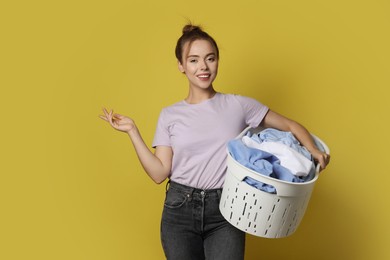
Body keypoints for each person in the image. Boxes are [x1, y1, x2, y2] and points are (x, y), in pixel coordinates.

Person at [99, 24, 330, 260]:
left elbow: (290, 126)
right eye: (193, 60)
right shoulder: (169, 115)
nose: (203, 67)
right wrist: (133, 132)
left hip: (227, 208)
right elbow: (159, 173)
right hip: (179, 210)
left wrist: (312, 149)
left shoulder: (238, 105)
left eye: (210, 58)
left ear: (217, 61)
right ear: (181, 65)